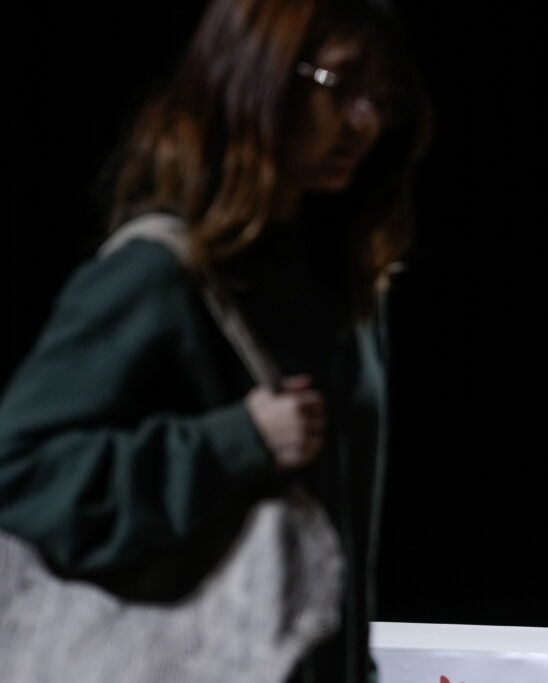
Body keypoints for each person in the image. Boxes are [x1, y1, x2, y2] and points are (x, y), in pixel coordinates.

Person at [0, 0, 429, 680]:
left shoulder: (347, 287)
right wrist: (233, 442)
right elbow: (20, 469)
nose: (365, 121)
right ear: (257, 73)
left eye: (381, 98)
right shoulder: (161, 271)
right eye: (340, 85)